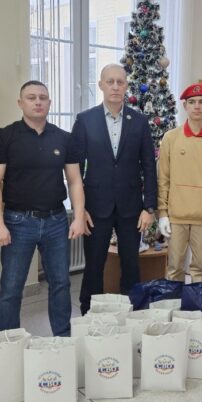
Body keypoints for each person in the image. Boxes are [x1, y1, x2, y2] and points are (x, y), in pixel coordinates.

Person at [0, 81, 85, 336]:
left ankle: (62, 339)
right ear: (21, 103)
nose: (38, 102)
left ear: (50, 103)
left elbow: (75, 181)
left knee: (61, 284)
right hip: (18, 222)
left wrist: (78, 216)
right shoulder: (5, 138)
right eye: (31, 97)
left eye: (43, 97)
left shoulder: (64, 138)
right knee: (11, 288)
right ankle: (7, 343)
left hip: (56, 221)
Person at [72, 63, 157, 315]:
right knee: (94, 265)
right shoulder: (85, 120)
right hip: (95, 207)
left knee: (131, 264)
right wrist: (80, 209)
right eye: (110, 81)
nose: (116, 87)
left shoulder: (139, 121)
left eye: (120, 82)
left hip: (132, 207)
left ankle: (132, 313)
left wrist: (149, 207)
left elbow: (149, 166)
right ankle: (90, 313)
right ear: (101, 85)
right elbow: (74, 169)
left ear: (126, 86)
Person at [158, 83, 202, 282]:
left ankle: (197, 302)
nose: (197, 106)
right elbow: (163, 179)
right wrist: (162, 214)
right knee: (174, 267)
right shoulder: (171, 138)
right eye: (192, 102)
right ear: (185, 106)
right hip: (176, 216)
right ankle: (174, 301)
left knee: (201, 267)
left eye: (201, 102)